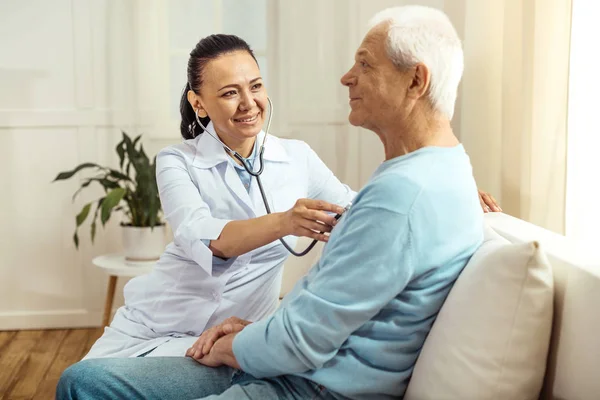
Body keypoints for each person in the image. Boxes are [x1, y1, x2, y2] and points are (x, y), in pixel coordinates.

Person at [58, 5, 486, 400]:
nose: (249, 104)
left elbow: (360, 211)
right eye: (229, 93)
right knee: (86, 378)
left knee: (83, 385)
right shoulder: (176, 161)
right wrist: (285, 222)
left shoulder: (299, 157)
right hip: (164, 321)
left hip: (245, 343)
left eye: (256, 86)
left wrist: (459, 190)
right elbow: (207, 240)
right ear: (198, 102)